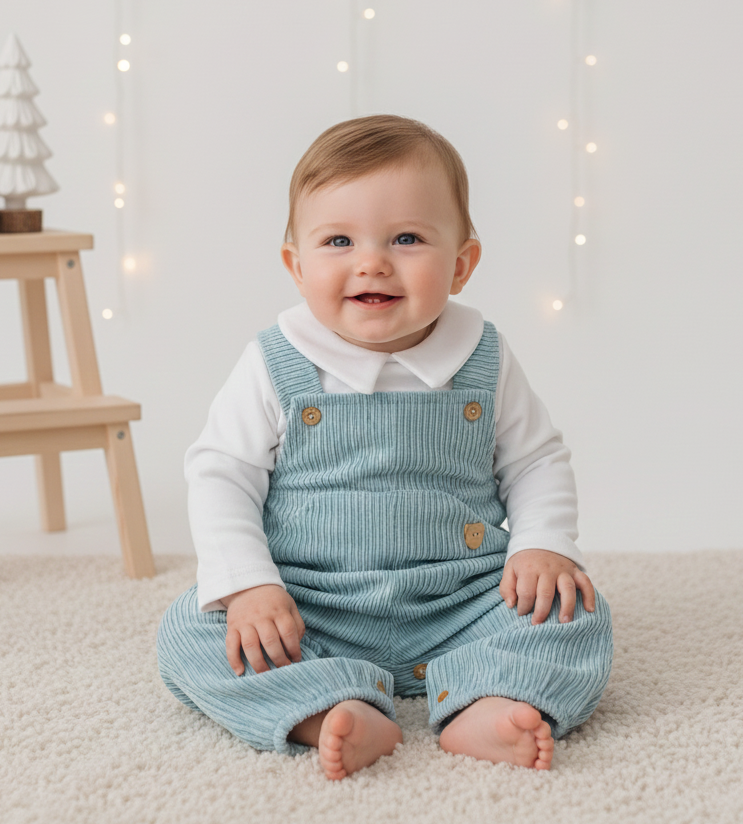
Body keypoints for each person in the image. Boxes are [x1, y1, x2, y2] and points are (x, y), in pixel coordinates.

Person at [157, 114, 613, 780]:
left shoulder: (482, 357)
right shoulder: (274, 362)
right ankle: (327, 705)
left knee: (577, 609)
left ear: (460, 264)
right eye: (337, 240)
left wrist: (542, 544)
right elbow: (221, 474)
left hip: (461, 603)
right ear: (296, 264)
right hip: (308, 608)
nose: (371, 261)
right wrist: (250, 587)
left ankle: (487, 699)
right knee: (188, 631)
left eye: (406, 238)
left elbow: (535, 460)